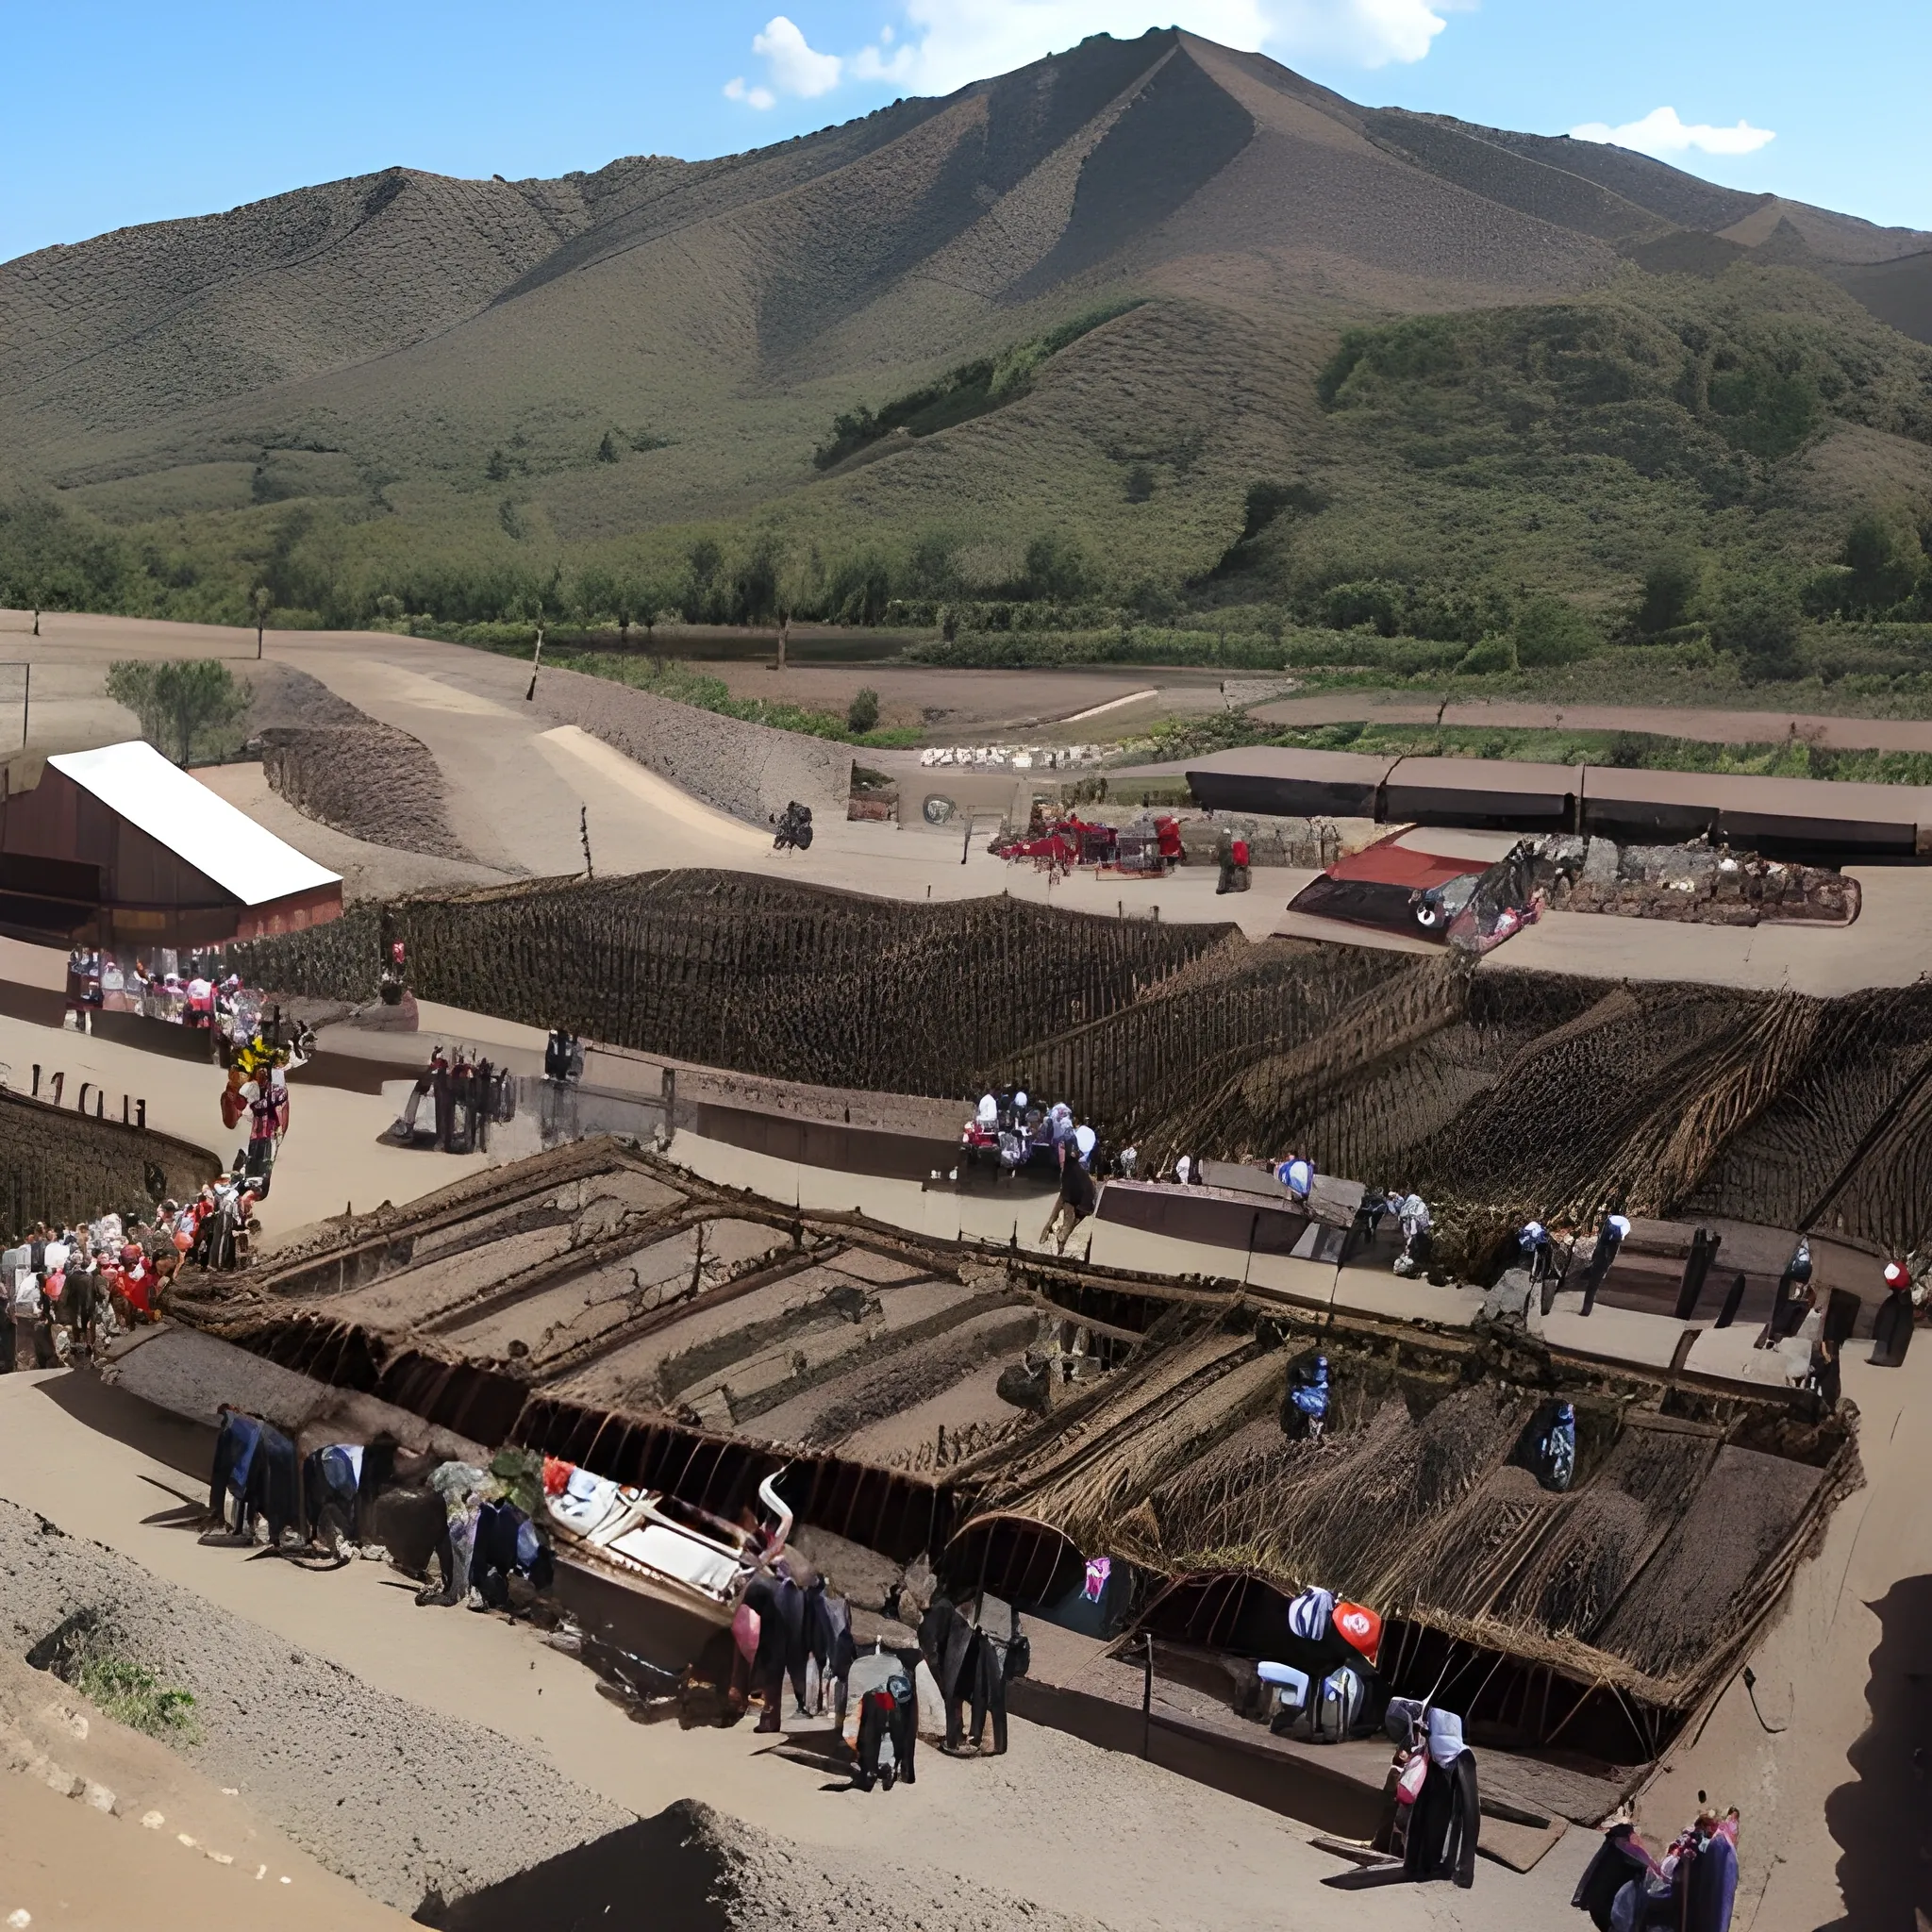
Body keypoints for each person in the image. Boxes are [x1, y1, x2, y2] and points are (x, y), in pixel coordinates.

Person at [1040, 1141, 1099, 1254]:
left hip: (1079, 1201)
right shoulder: (1076, 1169)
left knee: (1066, 1223)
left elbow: (1068, 1196)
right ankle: (1057, 1240)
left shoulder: (1071, 1169)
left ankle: (1058, 1240)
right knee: (1066, 1222)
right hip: (1083, 1203)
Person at [1871, 1260, 1915, 1368]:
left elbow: (1886, 1327)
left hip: (1888, 1355)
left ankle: (1883, 1354)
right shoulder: (1900, 1301)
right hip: (1891, 1353)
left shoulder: (1896, 1302)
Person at [1393, 1193, 1433, 1278]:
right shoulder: (1419, 1209)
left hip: (1414, 1239)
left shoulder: (1407, 1211)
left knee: (1410, 1254)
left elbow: (1408, 1231)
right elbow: (1423, 1226)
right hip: (1417, 1238)